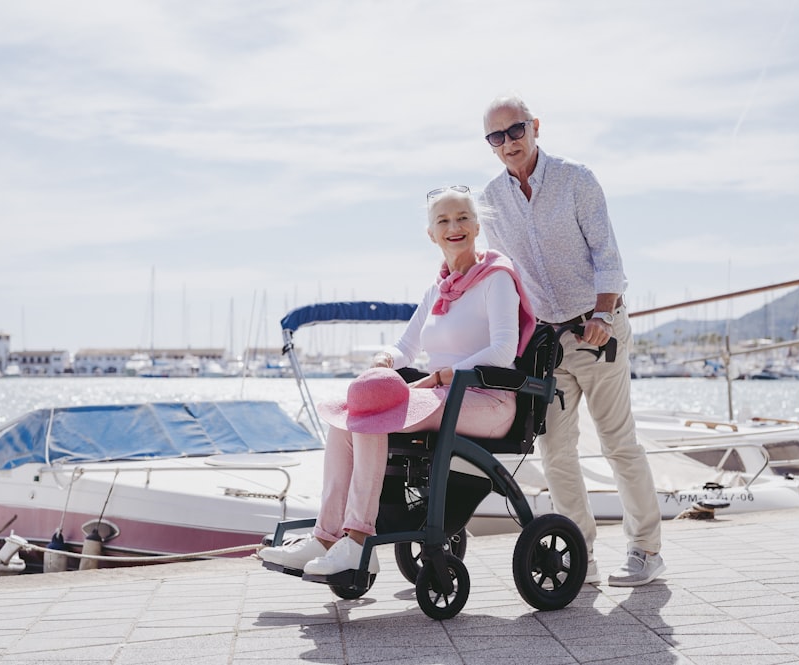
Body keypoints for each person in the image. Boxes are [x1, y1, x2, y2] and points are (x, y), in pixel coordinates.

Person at [259, 186, 536, 576]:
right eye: (443, 220)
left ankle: (357, 541)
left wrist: (444, 374)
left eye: (461, 218)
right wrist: (385, 359)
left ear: (476, 226)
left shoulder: (496, 278)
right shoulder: (436, 290)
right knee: (347, 418)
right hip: (445, 396)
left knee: (376, 417)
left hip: (488, 401)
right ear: (431, 233)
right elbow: (406, 346)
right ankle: (326, 537)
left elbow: (504, 349)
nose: (453, 227)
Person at [479, 94, 664, 587]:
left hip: (597, 329)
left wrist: (603, 313)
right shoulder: (492, 200)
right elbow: (498, 273)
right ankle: (577, 551)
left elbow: (608, 256)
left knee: (617, 443)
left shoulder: (576, 180)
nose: (508, 143)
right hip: (547, 344)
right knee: (554, 451)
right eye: (496, 137)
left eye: (515, 131)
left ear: (535, 127)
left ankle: (646, 549)